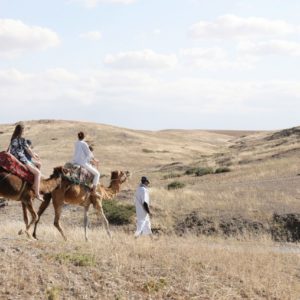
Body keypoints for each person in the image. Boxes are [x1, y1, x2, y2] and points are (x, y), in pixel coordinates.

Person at [9, 123, 43, 201]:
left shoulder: (13, 139)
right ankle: (37, 193)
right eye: (23, 130)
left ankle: (33, 184)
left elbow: (10, 150)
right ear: (21, 131)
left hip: (14, 159)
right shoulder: (22, 140)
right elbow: (29, 150)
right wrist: (35, 157)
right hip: (22, 159)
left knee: (37, 166)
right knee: (38, 173)